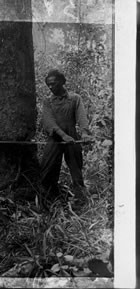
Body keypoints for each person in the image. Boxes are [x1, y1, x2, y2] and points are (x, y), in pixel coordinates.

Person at [41, 70, 93, 210]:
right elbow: (49, 122)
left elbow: (81, 117)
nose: (51, 87)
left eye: (53, 83)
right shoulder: (48, 101)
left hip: (72, 137)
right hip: (55, 139)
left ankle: (81, 202)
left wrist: (84, 133)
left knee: (76, 170)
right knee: (48, 170)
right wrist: (63, 136)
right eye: (48, 85)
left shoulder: (74, 98)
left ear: (62, 82)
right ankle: (49, 202)